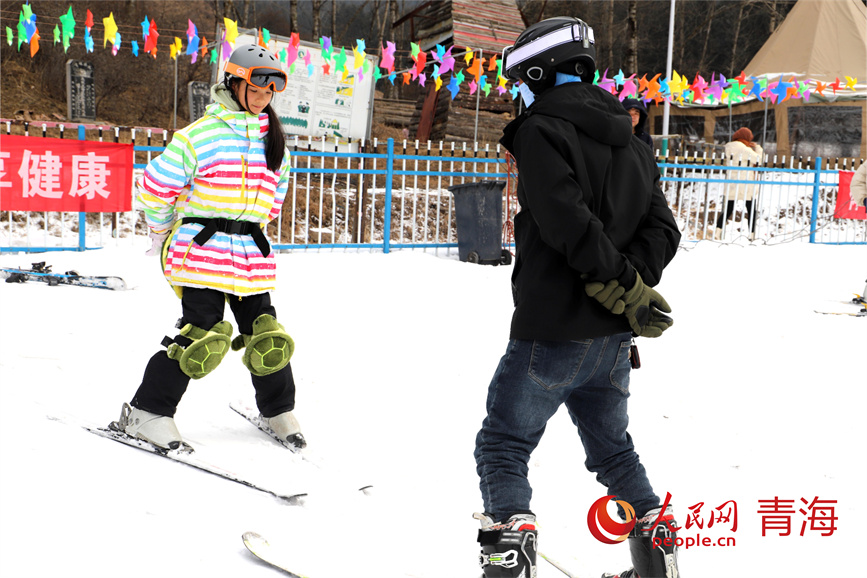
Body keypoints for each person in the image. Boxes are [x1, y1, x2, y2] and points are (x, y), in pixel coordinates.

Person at [473, 16, 682, 578]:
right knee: (614, 451)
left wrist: (615, 277)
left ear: (538, 72)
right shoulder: (633, 144)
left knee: (503, 445)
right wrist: (628, 284)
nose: (519, 94)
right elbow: (664, 230)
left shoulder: (542, 129)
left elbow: (567, 219)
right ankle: (658, 559)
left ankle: (509, 557)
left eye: (521, 81)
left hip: (552, 332)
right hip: (613, 341)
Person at [111, 44, 305, 452]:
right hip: (200, 251)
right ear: (234, 82)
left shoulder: (277, 145)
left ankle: (277, 409)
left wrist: (249, 228)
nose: (263, 97)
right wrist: (164, 233)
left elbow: (275, 199)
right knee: (203, 333)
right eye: (255, 88)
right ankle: (148, 411)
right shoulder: (198, 136)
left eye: (271, 91)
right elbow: (154, 187)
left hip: (250, 255)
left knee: (265, 333)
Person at [715, 127, 764, 241]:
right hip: (745, 183)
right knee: (751, 209)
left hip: (732, 182)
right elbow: (758, 160)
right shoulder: (744, 149)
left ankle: (718, 232)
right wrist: (757, 148)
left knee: (728, 209)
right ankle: (751, 235)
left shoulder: (730, 147)